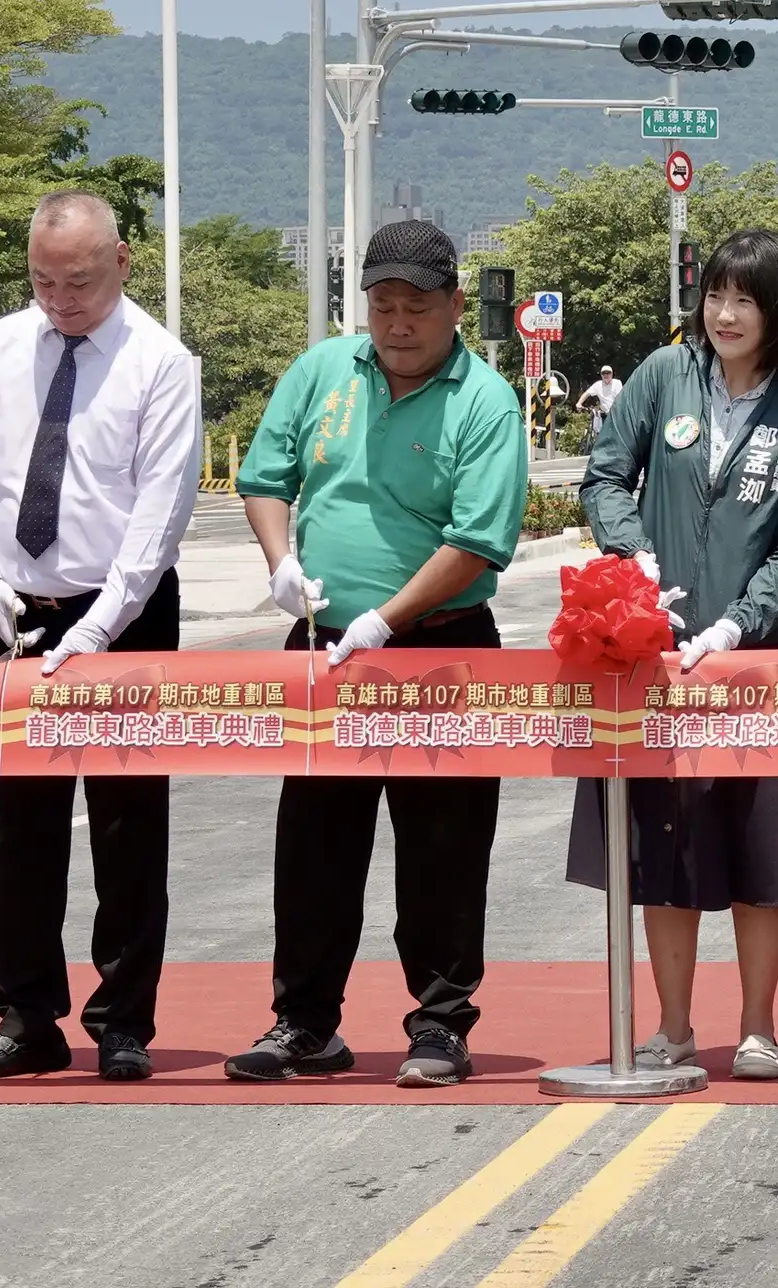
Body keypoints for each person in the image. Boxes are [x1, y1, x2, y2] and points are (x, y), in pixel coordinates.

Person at [223, 220, 528, 1087]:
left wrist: (388, 619)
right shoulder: (323, 371)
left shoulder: (485, 401)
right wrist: (281, 562)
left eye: (417, 308)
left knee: (442, 848)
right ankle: (305, 1023)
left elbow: (476, 540)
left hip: (441, 649)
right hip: (324, 647)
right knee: (314, 845)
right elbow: (265, 476)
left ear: (456, 307)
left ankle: (439, 1024)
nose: (397, 324)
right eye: (382, 306)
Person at [0, 191, 199, 1083]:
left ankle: (122, 1021)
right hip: (16, 610)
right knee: (24, 819)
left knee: (127, 825)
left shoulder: (161, 362)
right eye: (44, 281)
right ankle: (23, 1013)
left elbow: (158, 517)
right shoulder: (4, 346)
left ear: (121, 263)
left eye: (78, 281)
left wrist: (96, 627)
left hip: (124, 615)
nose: (61, 299)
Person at [568, 230, 778, 1080]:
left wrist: (737, 626)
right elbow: (605, 475)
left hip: (756, 666)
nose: (725, 314)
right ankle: (673, 1027)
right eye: (717, 295)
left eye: (747, 300)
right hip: (650, 655)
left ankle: (758, 1026)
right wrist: (633, 558)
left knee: (761, 852)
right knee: (665, 850)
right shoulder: (662, 374)